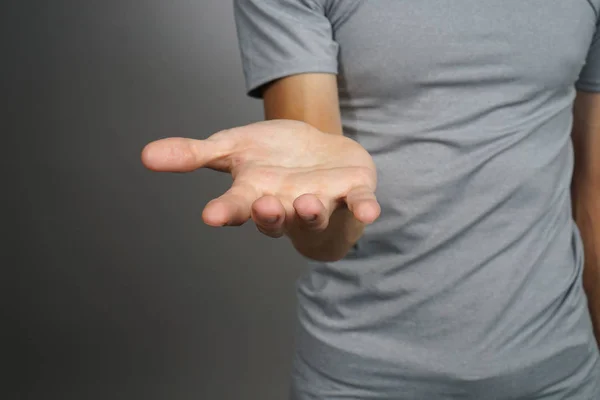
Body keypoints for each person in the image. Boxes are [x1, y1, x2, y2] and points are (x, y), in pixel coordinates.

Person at [142, 0, 600, 398]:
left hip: (561, 370)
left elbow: (594, 198)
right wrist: (318, 202)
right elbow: (322, 235)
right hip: (364, 375)